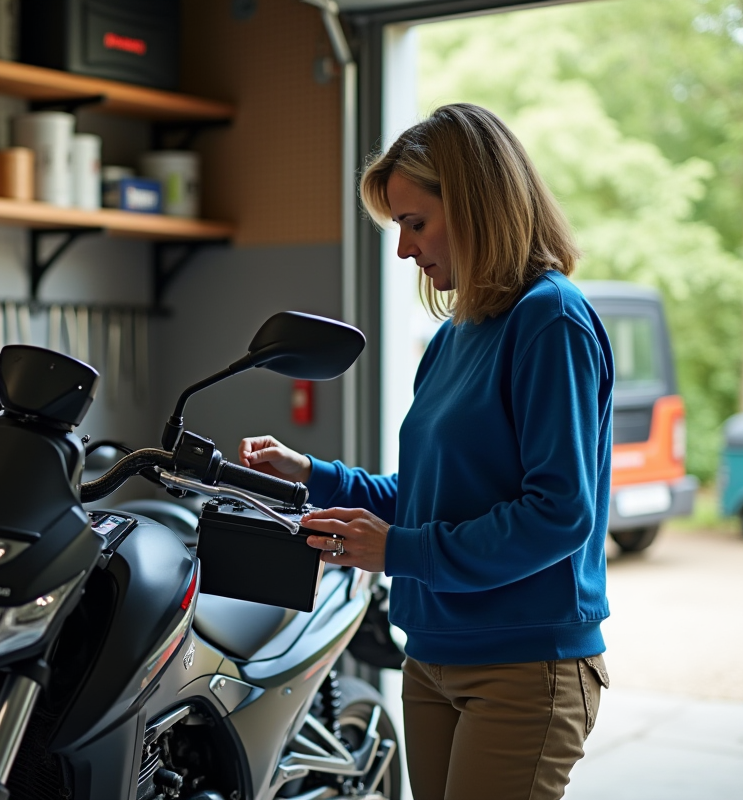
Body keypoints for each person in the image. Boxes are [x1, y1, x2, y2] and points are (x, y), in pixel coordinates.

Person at [239, 103, 613, 800]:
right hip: (433, 655)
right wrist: (310, 475)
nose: (405, 249)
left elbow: (560, 513)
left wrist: (401, 553)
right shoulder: (455, 336)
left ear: (477, 207)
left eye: (415, 223)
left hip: (523, 664)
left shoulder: (549, 319)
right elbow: (427, 494)